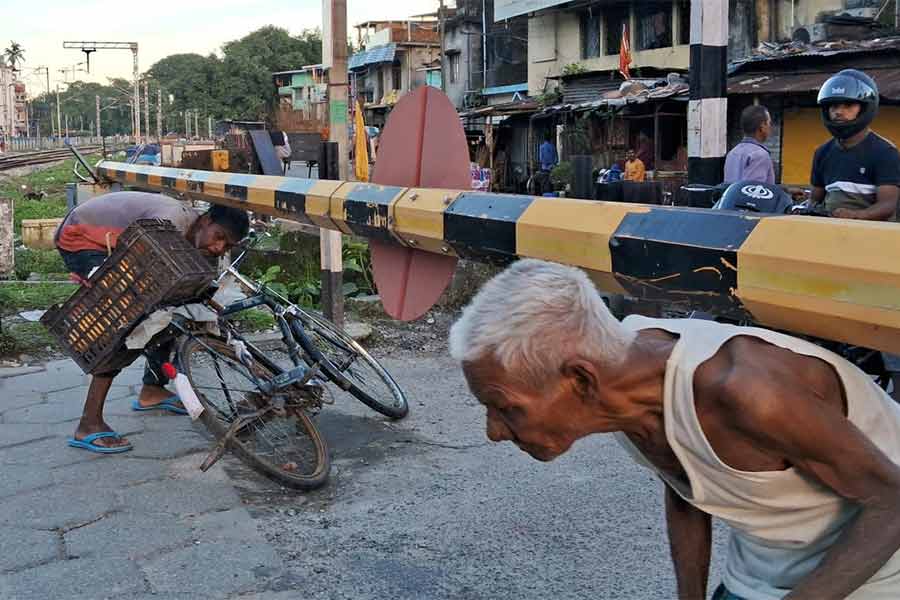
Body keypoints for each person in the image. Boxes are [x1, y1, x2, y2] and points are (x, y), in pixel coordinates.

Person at [450, 258, 900, 600]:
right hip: (765, 569)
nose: (494, 431)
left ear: (581, 380)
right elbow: (687, 482)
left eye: (504, 407)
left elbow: (893, 503)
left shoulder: (747, 393)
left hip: (877, 569)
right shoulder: (623, 380)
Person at [55, 191, 249, 453]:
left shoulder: (194, 232)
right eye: (219, 237)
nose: (218, 248)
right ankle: (88, 423)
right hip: (83, 238)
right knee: (125, 321)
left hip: (119, 242)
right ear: (205, 220)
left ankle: (152, 391)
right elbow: (142, 266)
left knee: (169, 311)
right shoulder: (169, 220)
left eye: (227, 246)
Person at [810, 69, 900, 400]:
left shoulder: (884, 153)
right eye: (833, 106)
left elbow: (888, 206)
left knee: (883, 323)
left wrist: (856, 217)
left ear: (864, 108)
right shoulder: (823, 153)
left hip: (874, 250)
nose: (838, 112)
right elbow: (815, 199)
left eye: (847, 106)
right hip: (832, 245)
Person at [724, 105, 775, 184]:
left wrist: (784, 189)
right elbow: (754, 191)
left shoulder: (732, 153)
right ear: (762, 127)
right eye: (769, 123)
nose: (770, 127)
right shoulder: (760, 155)